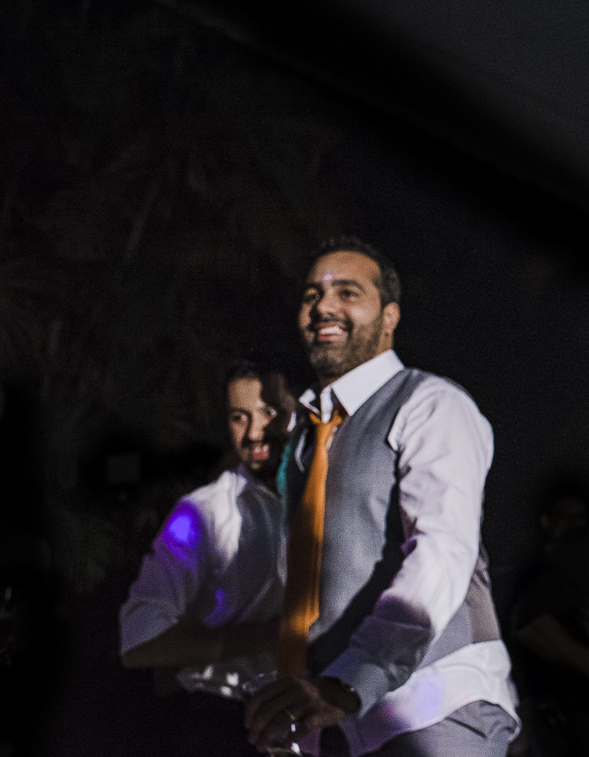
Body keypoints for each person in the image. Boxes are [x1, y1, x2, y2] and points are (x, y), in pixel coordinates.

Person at [244, 235, 519, 757]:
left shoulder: (431, 404)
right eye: (311, 295)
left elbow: (441, 552)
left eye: (347, 292)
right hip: (337, 726)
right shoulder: (305, 440)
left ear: (389, 316)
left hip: (432, 712)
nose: (323, 305)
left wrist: (350, 682)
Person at [119, 363, 295, 751]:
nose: (253, 433)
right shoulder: (201, 513)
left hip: (318, 719)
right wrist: (271, 637)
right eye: (238, 417)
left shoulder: (337, 497)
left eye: (268, 414)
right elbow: (139, 639)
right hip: (224, 722)